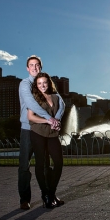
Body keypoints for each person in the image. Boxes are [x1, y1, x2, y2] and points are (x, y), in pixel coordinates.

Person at [18, 55, 64, 210]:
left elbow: (60, 102)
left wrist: (54, 119)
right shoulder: (25, 84)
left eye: (37, 65)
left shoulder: (45, 82)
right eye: (31, 65)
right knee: (25, 164)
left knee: (45, 164)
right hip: (28, 127)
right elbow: (31, 104)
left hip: (44, 129)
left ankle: (49, 195)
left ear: (41, 67)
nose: (34, 67)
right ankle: (25, 199)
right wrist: (49, 119)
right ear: (27, 68)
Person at [28, 72, 65, 209]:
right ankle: (46, 195)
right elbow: (31, 117)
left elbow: (60, 112)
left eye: (44, 82)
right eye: (39, 83)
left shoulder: (55, 97)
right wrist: (48, 121)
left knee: (58, 163)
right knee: (41, 164)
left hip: (52, 134)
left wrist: (57, 122)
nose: (42, 85)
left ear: (49, 83)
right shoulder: (34, 98)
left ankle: (52, 192)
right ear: (36, 86)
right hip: (38, 132)